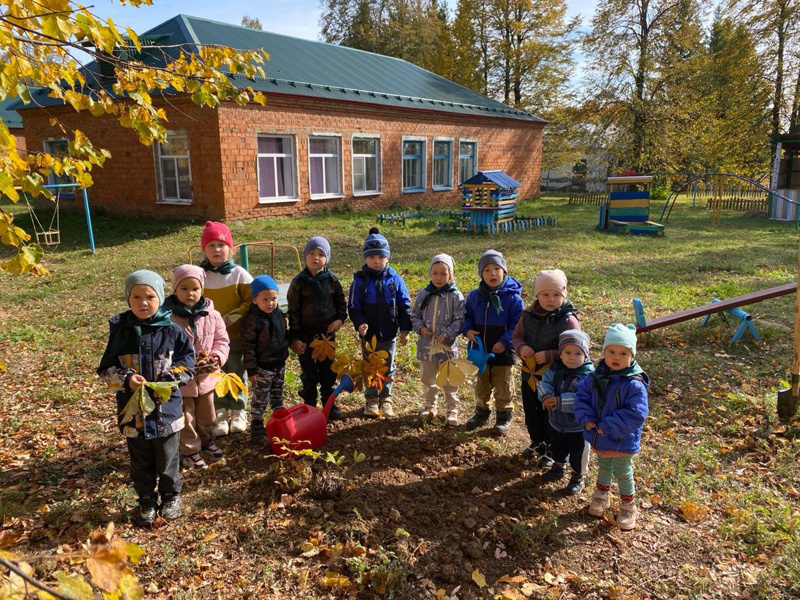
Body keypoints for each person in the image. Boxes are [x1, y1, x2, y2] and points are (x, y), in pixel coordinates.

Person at [97, 270, 194, 526]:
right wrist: (126, 378)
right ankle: (145, 498)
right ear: (128, 299)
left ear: (160, 298)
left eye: (150, 296)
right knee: (140, 460)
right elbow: (105, 370)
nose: (143, 302)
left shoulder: (172, 329)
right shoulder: (122, 331)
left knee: (168, 458)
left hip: (166, 412)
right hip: (134, 414)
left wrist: (171, 376)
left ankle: (171, 496)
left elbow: (188, 362)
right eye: (136, 296)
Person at [574, 323, 650, 531]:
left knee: (623, 471)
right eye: (612, 352)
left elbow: (636, 413)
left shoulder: (633, 384)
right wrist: (586, 417)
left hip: (621, 438)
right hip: (599, 435)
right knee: (604, 466)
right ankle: (601, 496)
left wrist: (608, 426)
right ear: (604, 352)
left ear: (632, 356)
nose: (617, 357)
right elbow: (581, 398)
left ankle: (628, 506)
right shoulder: (594, 378)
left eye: (623, 353)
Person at [163, 265, 230, 470]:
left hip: (206, 376)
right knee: (186, 415)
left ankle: (206, 439)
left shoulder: (212, 314)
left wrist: (217, 358)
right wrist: (176, 367)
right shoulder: (168, 317)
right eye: (184, 289)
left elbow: (222, 341)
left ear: (202, 290)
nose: (190, 293)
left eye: (195, 288)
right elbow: (163, 346)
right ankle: (190, 450)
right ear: (175, 290)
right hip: (182, 379)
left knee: (207, 414)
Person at [512, 269, 580, 466]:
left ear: (564, 294)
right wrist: (521, 347)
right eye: (545, 294)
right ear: (537, 295)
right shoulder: (527, 316)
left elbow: (577, 349)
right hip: (530, 375)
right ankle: (537, 442)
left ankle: (552, 448)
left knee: (550, 412)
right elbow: (516, 336)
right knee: (532, 411)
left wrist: (551, 354)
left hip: (556, 378)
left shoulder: (568, 320)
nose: (551, 299)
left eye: (556, 294)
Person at [348, 227, 412, 418]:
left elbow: (404, 304)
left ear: (388, 258)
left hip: (389, 332)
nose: (377, 261)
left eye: (381, 257)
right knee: (369, 364)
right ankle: (371, 398)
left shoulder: (395, 279)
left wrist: (405, 330)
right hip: (369, 335)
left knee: (387, 364)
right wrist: (360, 323)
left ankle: (386, 397)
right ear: (365, 258)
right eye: (372, 257)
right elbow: (354, 307)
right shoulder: (360, 281)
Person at [199, 221, 253, 436]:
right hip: (208, 338)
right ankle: (220, 411)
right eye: (211, 245)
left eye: (221, 245)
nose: (216, 250)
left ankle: (239, 410)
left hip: (236, 334)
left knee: (237, 372)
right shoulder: (200, 275)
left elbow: (251, 300)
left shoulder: (239, 274)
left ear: (230, 249)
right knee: (215, 373)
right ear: (204, 249)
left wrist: (236, 315)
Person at [462, 250, 524, 435]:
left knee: (502, 384)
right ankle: (481, 411)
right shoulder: (475, 297)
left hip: (503, 352)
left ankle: (503, 416)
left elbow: (518, 325)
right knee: (482, 382)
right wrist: (467, 330)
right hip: (480, 350)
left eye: (497, 268)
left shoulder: (513, 298)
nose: (492, 273)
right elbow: (468, 317)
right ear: (481, 274)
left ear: (504, 271)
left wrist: (505, 342)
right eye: (487, 270)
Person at [287, 236, 348, 420]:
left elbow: (340, 304)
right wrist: (295, 337)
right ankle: (309, 406)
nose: (316, 258)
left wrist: (339, 320)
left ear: (327, 258)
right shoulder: (299, 282)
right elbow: (293, 311)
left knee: (328, 371)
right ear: (305, 256)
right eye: (312, 253)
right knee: (309, 373)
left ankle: (330, 405)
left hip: (327, 336)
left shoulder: (332, 280)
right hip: (306, 336)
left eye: (321, 254)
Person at [410, 253, 465, 426]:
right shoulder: (424, 294)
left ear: (450, 274)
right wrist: (420, 328)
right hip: (427, 346)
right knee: (428, 378)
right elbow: (415, 315)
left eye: (444, 273)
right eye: (435, 273)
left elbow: (460, 319)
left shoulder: (455, 296)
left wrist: (448, 333)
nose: (439, 278)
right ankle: (429, 405)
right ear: (430, 273)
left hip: (447, 348)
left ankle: (452, 409)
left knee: (449, 380)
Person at [536, 330, 594, 494]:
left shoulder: (589, 377)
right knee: (557, 447)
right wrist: (546, 396)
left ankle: (578, 476)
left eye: (578, 353)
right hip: (556, 422)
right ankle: (558, 466)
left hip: (578, 427)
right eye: (567, 352)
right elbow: (542, 384)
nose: (572, 357)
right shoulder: (554, 371)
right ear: (560, 354)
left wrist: (561, 401)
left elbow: (585, 400)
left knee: (579, 454)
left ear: (585, 355)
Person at [240, 275, 290, 444]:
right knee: (260, 396)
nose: (270, 303)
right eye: (265, 299)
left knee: (277, 391)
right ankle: (257, 425)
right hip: (263, 366)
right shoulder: (253, 320)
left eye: (274, 298)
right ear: (255, 300)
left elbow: (284, 334)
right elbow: (248, 346)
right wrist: (252, 369)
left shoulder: (279, 315)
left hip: (279, 362)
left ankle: (279, 419)